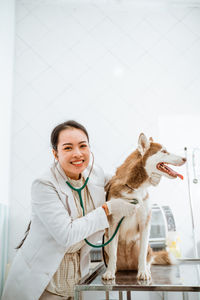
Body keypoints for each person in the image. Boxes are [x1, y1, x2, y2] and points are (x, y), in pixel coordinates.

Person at [2, 120, 139, 300]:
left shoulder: (94, 172)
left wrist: (144, 168)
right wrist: (107, 209)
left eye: (83, 146)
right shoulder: (44, 185)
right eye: (68, 148)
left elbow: (119, 183)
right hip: (45, 283)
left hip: (75, 280)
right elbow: (66, 235)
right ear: (55, 153)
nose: (77, 154)